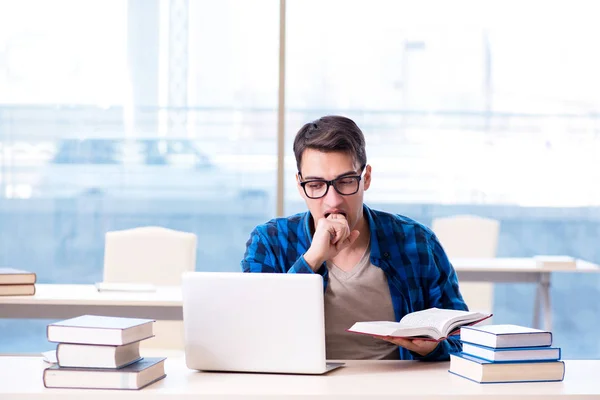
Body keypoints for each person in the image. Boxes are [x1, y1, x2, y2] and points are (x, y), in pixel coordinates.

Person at [241, 115, 467, 361]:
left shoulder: (416, 240)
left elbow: (464, 338)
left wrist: (433, 348)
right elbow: (254, 334)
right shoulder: (270, 241)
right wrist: (312, 259)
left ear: (366, 178)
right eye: (316, 185)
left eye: (346, 182)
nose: (333, 200)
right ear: (299, 184)